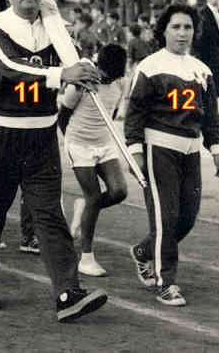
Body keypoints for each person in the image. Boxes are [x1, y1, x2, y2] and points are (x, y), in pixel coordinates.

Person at [0, 0, 107, 322]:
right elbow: (11, 68)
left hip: (42, 133)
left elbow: (72, 61)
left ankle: (67, 292)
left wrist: (85, 69)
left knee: (49, 213)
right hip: (1, 131)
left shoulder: (56, 28)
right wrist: (63, 74)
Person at [125, 4, 219, 306]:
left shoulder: (202, 70)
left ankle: (144, 251)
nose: (182, 33)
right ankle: (166, 282)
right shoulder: (150, 66)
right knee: (166, 218)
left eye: (188, 27)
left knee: (187, 218)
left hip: (190, 151)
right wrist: (135, 151)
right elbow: (135, 114)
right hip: (159, 149)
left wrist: (217, 149)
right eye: (176, 27)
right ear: (164, 31)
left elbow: (211, 118)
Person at [59, 44, 128, 277]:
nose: (107, 80)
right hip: (79, 144)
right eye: (105, 76)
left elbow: (111, 114)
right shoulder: (82, 81)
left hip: (104, 143)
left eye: (112, 77)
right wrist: (71, 142)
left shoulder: (120, 83)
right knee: (94, 197)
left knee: (119, 191)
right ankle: (86, 258)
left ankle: (83, 210)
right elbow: (63, 115)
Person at [193, 0, 219, 97]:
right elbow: (199, 37)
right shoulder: (202, 13)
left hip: (218, 55)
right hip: (208, 55)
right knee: (210, 86)